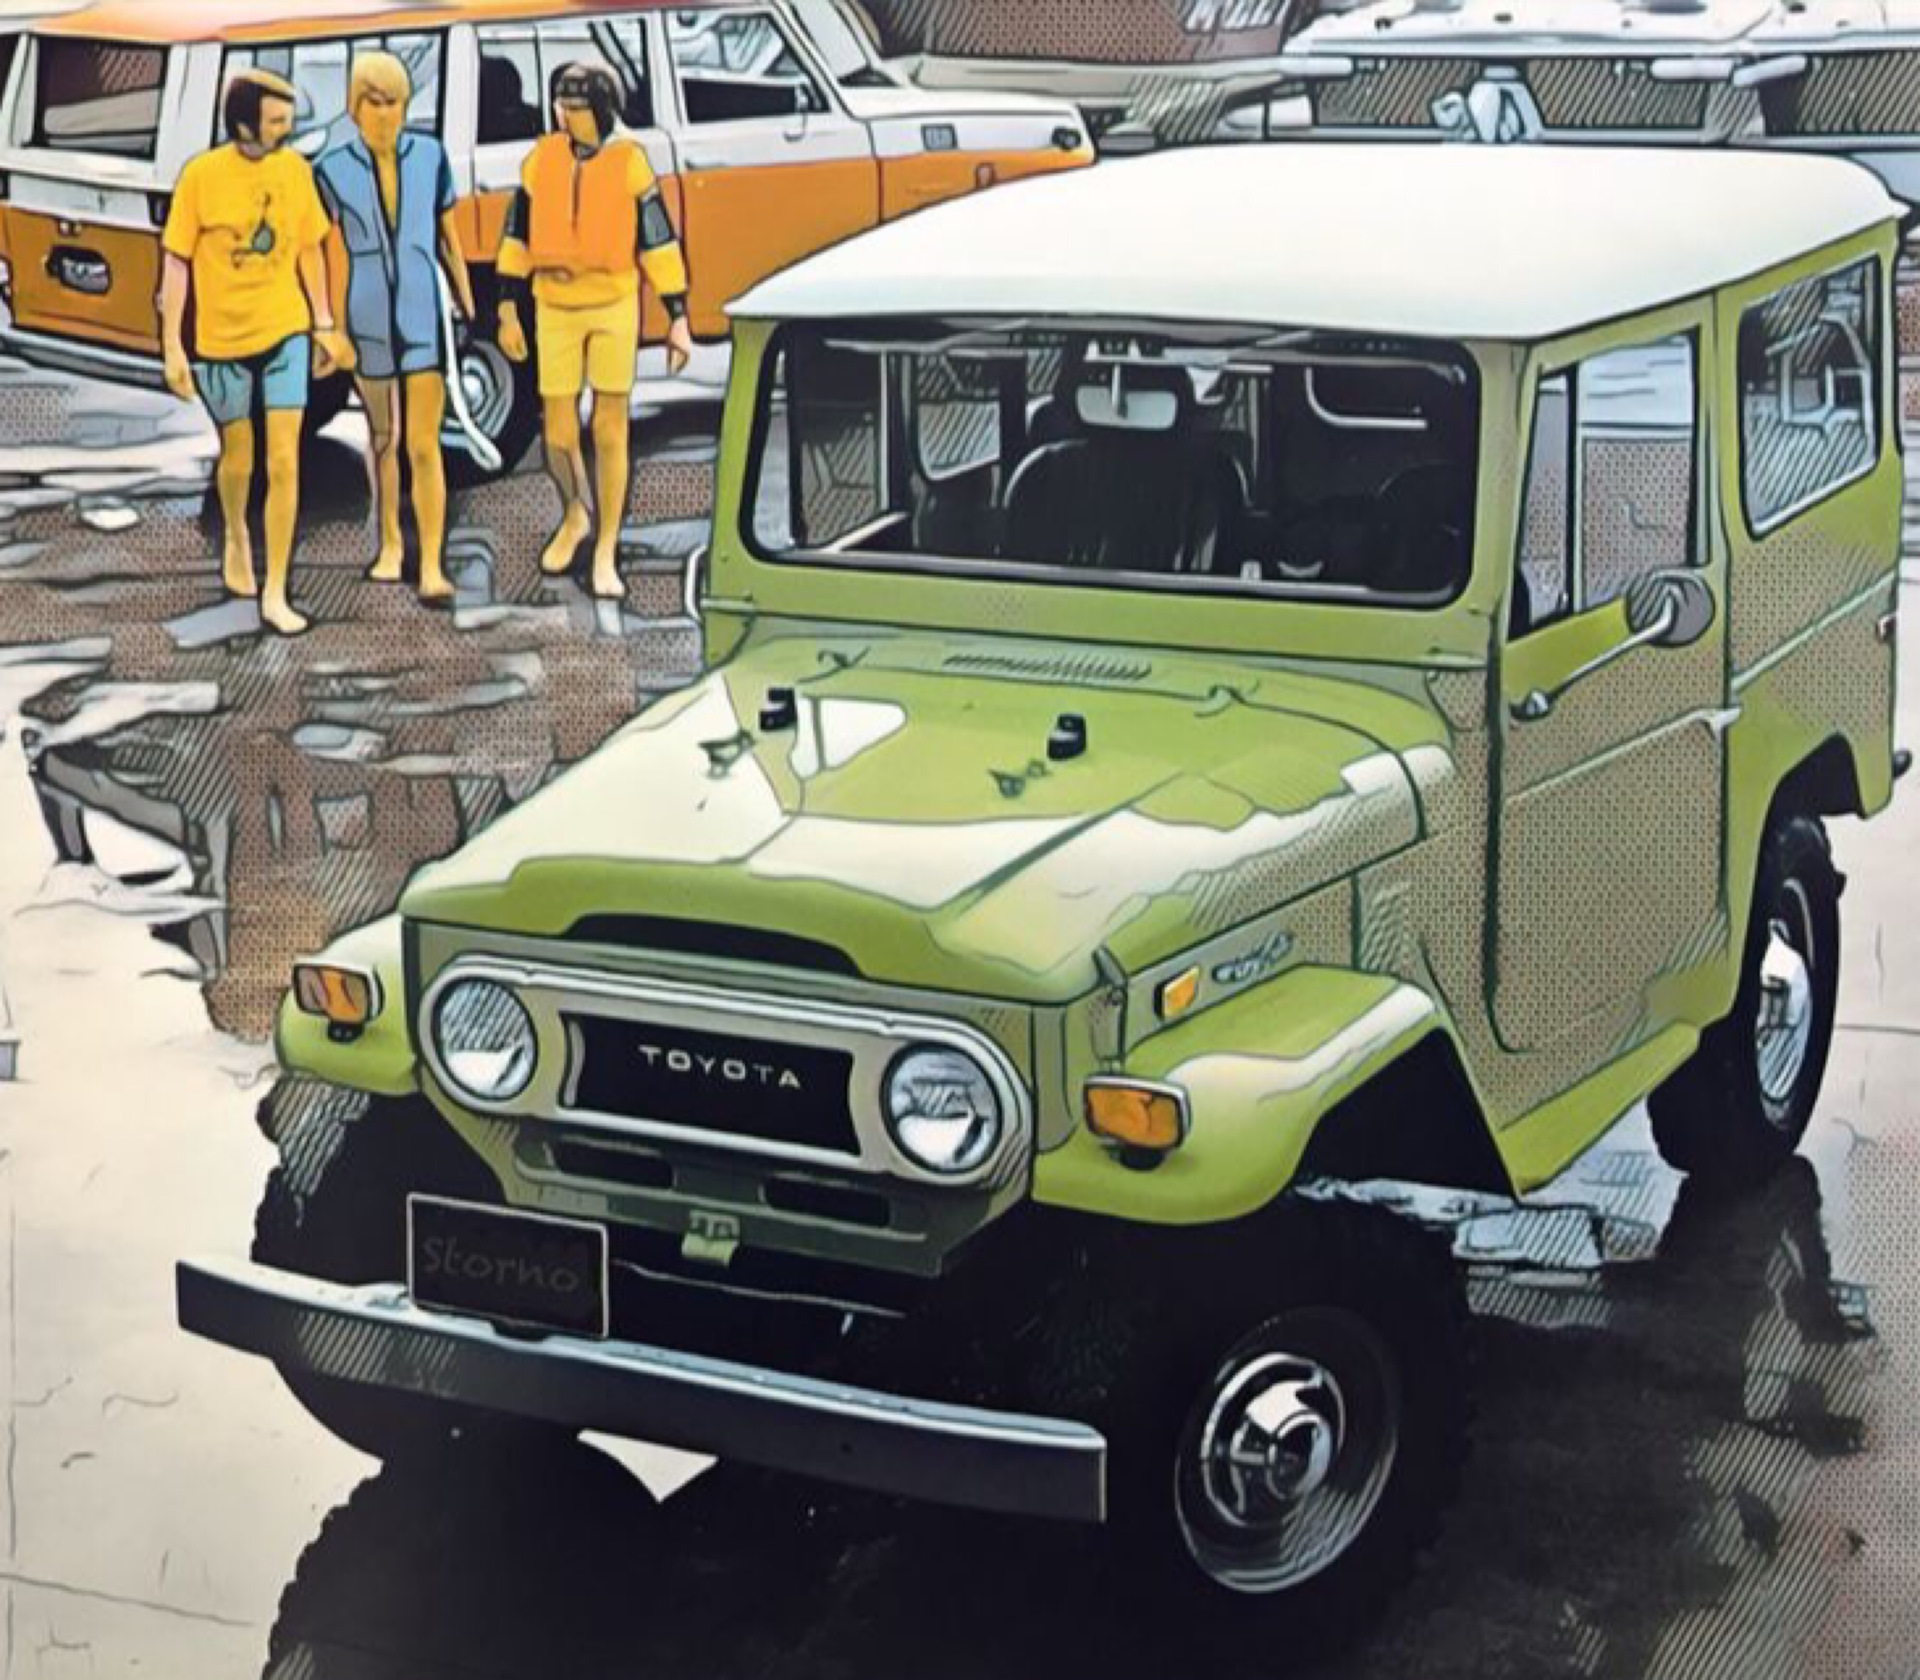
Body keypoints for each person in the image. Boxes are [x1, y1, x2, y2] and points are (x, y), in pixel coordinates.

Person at [495, 63, 695, 599]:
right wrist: (507, 308)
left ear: (601, 111)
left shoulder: (630, 163)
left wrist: (677, 316)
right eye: (561, 105)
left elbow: (658, 241)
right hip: (554, 304)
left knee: (610, 429)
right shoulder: (541, 161)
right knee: (558, 435)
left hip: (612, 304)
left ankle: (607, 546)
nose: (565, 116)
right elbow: (516, 235)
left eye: (576, 107)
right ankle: (574, 513)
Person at [161, 68, 348, 637]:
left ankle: (277, 589)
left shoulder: (294, 171)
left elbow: (311, 249)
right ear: (244, 125)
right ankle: (237, 534)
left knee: (285, 460)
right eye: (275, 122)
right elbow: (176, 262)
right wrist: (172, 347)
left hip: (285, 330)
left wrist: (323, 323)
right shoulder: (201, 177)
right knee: (238, 458)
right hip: (221, 341)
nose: (286, 131)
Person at [315, 51, 477, 603]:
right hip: (366, 316)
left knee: (425, 444)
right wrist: (330, 329)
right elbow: (329, 253)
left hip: (421, 310)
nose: (385, 114)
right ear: (355, 107)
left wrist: (467, 301)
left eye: (394, 103)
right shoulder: (332, 168)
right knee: (385, 439)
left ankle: (431, 561)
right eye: (374, 103)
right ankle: (389, 545)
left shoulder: (430, 155)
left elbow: (449, 237)